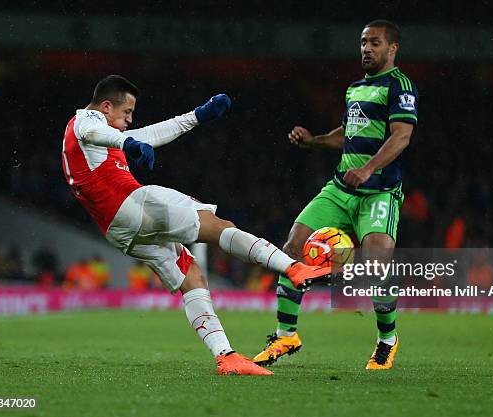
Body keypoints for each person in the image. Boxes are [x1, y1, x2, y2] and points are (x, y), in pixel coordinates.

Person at [61, 75, 333, 376]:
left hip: (119, 230)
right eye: (126, 113)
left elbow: (150, 133)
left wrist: (197, 116)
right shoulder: (84, 121)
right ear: (107, 106)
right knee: (216, 225)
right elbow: (96, 131)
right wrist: (128, 141)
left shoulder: (98, 137)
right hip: (133, 205)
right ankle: (293, 268)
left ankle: (226, 356)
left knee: (191, 276)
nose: (129, 120)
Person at [253, 20, 418, 370]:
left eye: (375, 43)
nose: (366, 49)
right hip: (341, 188)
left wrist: (369, 169)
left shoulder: (400, 86)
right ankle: (286, 335)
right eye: (362, 42)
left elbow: (401, 136)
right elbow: (347, 134)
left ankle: (387, 339)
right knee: (292, 248)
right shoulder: (355, 88)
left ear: (392, 49)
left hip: (379, 192)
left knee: (377, 263)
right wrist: (314, 141)